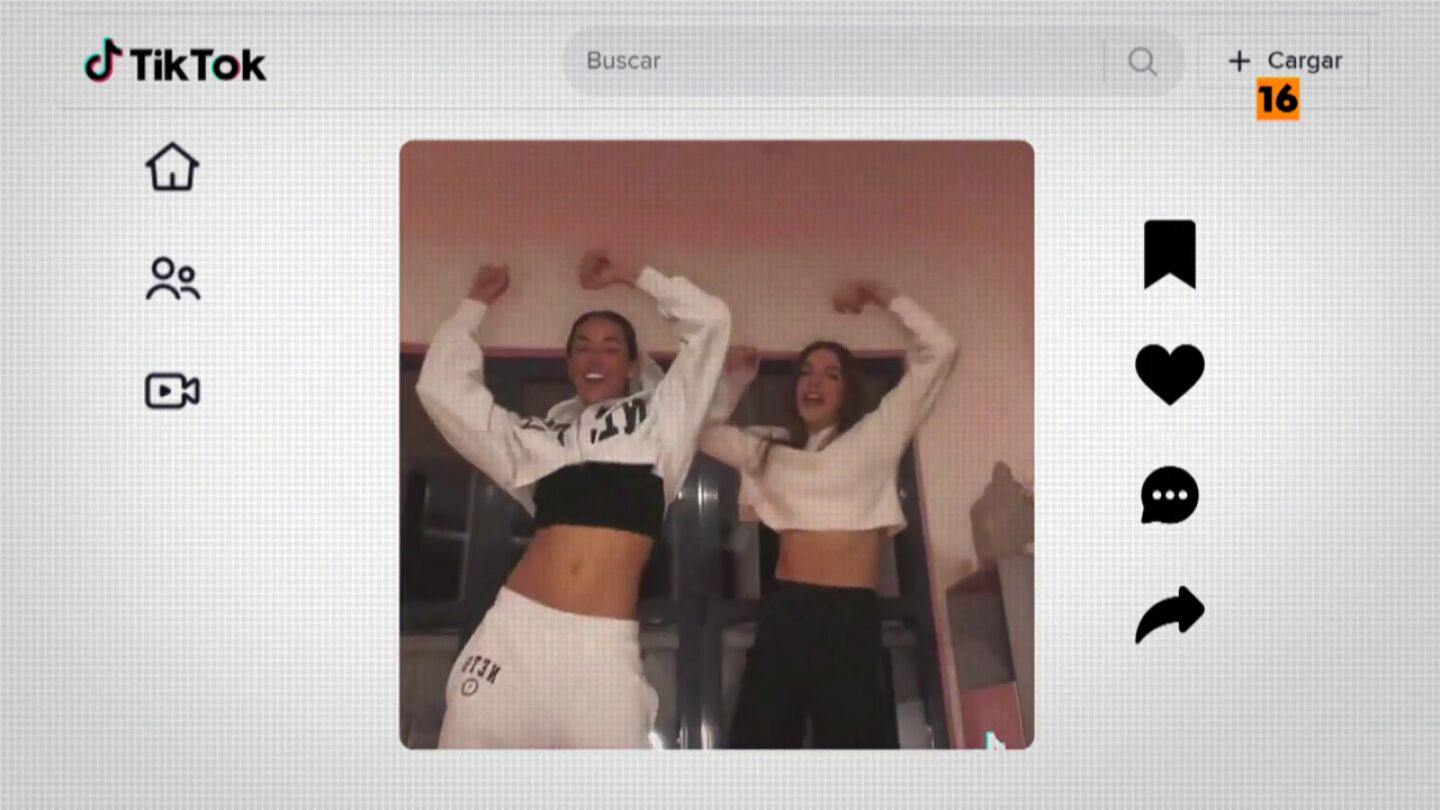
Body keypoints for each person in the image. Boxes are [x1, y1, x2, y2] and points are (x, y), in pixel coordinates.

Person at [417, 250, 731, 748]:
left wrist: (630, 276)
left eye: (610, 347)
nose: (595, 358)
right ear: (568, 364)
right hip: (513, 636)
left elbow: (711, 320)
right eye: (582, 348)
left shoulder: (662, 422)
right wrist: (475, 304)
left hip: (600, 651)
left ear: (632, 364)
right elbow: (441, 389)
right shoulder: (536, 440)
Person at [701, 279, 958, 748]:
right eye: (806, 372)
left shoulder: (875, 436)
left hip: (848, 618)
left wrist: (882, 294)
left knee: (853, 748)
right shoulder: (769, 448)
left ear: (848, 389)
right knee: (755, 747)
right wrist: (734, 378)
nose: (814, 382)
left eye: (831, 374)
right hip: (785, 612)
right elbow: (700, 431)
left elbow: (941, 349)